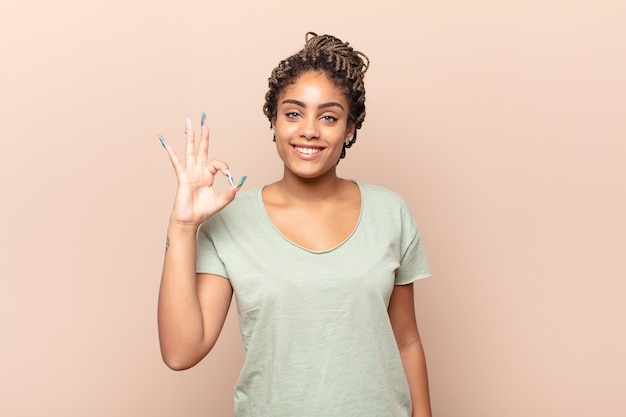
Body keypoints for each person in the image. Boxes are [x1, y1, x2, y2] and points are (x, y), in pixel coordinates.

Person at [157, 32, 433, 417]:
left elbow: (406, 342)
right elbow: (181, 351)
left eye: (329, 117)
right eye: (293, 113)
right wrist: (183, 226)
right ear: (273, 120)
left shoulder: (391, 213)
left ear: (350, 128)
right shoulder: (232, 220)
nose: (309, 130)